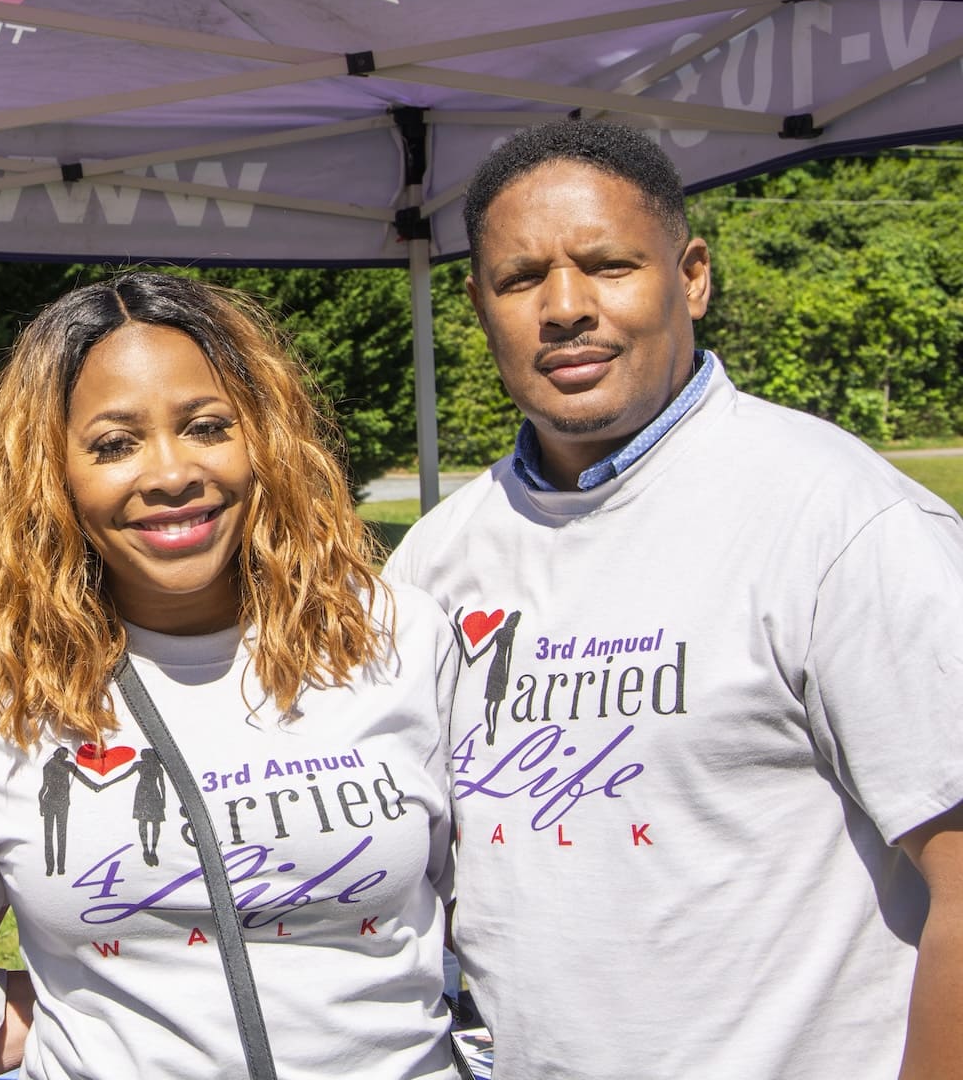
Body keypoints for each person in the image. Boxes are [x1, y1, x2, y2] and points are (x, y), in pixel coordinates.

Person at [385, 118, 963, 1080]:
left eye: (608, 266)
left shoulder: (840, 520)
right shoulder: (436, 562)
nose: (565, 308)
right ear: (479, 304)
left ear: (691, 276)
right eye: (521, 279)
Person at [0, 271, 460, 1079]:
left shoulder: (396, 639)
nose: (170, 473)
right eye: (114, 445)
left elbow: (494, 920)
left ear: (264, 436)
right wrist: (57, 1022)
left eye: (207, 427)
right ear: (53, 474)